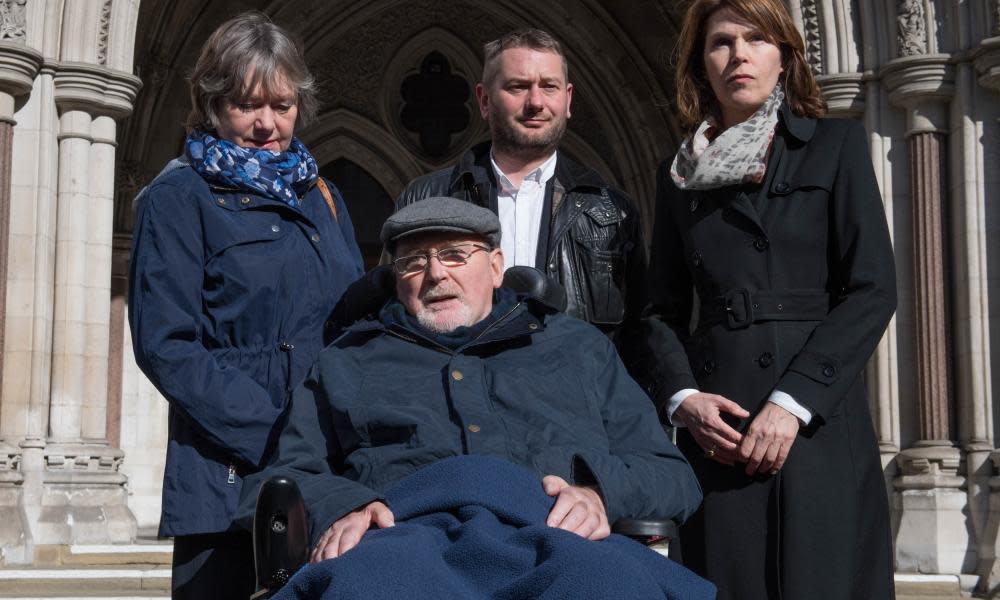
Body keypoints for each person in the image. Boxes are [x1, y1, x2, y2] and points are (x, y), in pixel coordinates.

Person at [242, 196, 711, 598]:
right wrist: (344, 506)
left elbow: (671, 476)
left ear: (496, 266)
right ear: (395, 279)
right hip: (403, 540)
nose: (435, 274)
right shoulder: (345, 361)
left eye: (454, 254)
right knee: (367, 585)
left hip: (556, 537)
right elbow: (283, 478)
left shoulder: (578, 347)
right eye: (412, 261)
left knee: (610, 585)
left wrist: (598, 493)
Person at [639, 0, 897, 598]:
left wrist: (794, 401)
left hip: (817, 421)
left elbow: (872, 287)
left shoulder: (836, 147)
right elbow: (660, 311)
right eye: (720, 43)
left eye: (756, 40)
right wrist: (684, 400)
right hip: (721, 428)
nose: (739, 55)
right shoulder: (677, 174)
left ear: (784, 56)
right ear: (701, 66)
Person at [127, 12, 364, 599]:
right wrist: (278, 430)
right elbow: (167, 345)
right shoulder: (178, 196)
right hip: (226, 478)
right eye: (246, 105)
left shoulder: (323, 196)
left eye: (281, 106)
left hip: (326, 477)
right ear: (211, 106)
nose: (266, 124)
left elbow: (354, 324)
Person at [395, 29, 646, 347]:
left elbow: (641, 335)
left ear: (567, 99)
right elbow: (395, 316)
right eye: (518, 87)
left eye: (548, 86)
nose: (536, 102)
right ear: (485, 100)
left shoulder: (612, 210)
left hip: (573, 392)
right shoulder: (425, 198)